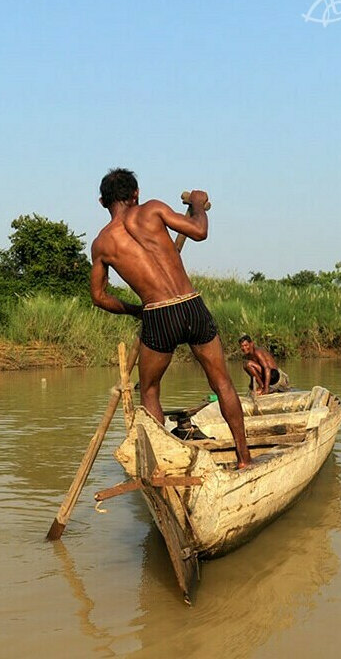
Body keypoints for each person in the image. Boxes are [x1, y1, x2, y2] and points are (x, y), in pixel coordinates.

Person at [89, 168, 252, 468]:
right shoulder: (152, 209)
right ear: (135, 194)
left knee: (149, 390)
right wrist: (199, 205)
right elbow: (199, 231)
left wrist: (137, 310)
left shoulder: (102, 244)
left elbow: (98, 296)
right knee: (223, 385)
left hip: (157, 315)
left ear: (103, 202)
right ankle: (244, 460)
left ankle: (161, 466)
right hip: (191, 306)